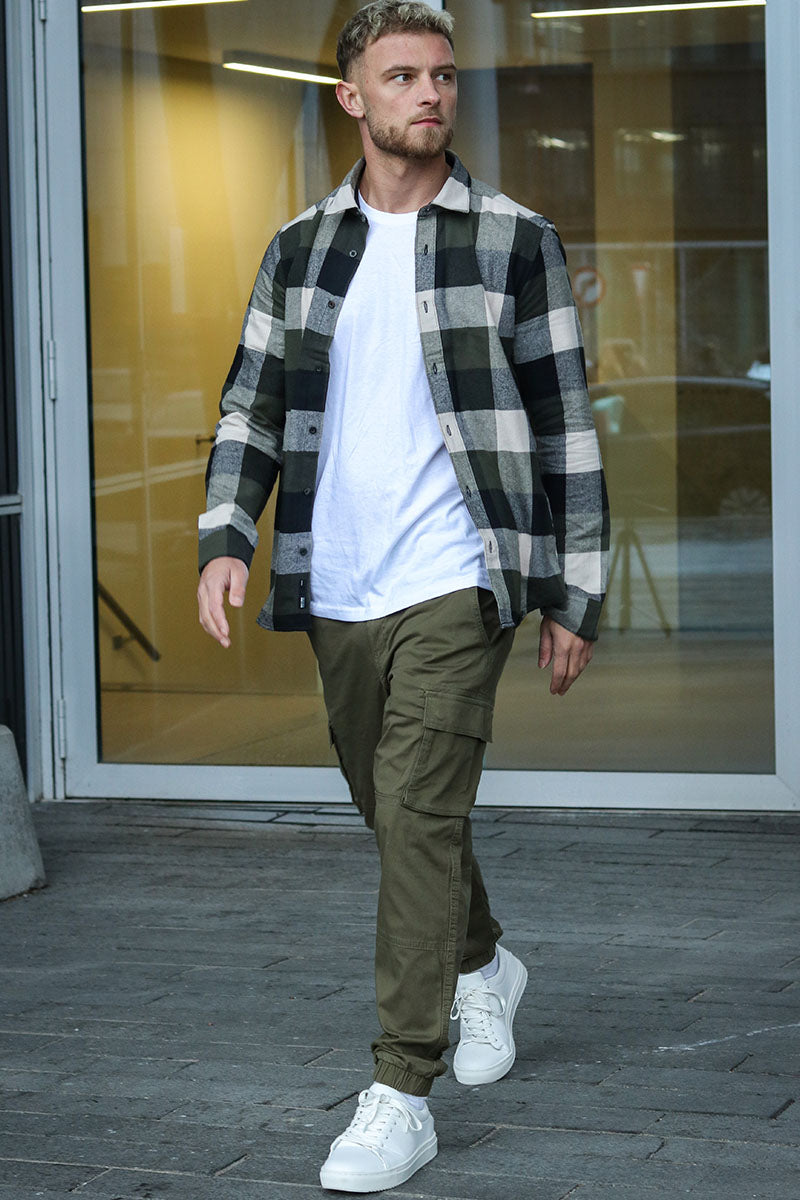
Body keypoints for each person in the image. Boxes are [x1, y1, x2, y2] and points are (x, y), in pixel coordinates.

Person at [197, 1, 608, 1191]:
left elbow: (563, 423)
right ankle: (480, 965)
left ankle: (398, 1089)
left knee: (419, 812)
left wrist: (571, 592)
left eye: (441, 74)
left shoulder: (513, 240)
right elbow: (250, 403)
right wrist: (227, 533)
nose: (429, 93)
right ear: (352, 99)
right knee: (395, 813)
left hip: (456, 574)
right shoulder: (299, 249)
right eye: (401, 76)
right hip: (337, 578)